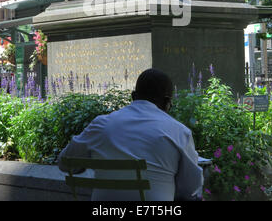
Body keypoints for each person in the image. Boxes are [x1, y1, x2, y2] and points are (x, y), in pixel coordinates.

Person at [58, 68, 203, 201]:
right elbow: (191, 188)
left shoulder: (100, 125)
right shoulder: (179, 132)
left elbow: (65, 163)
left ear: (133, 96)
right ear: (166, 102)